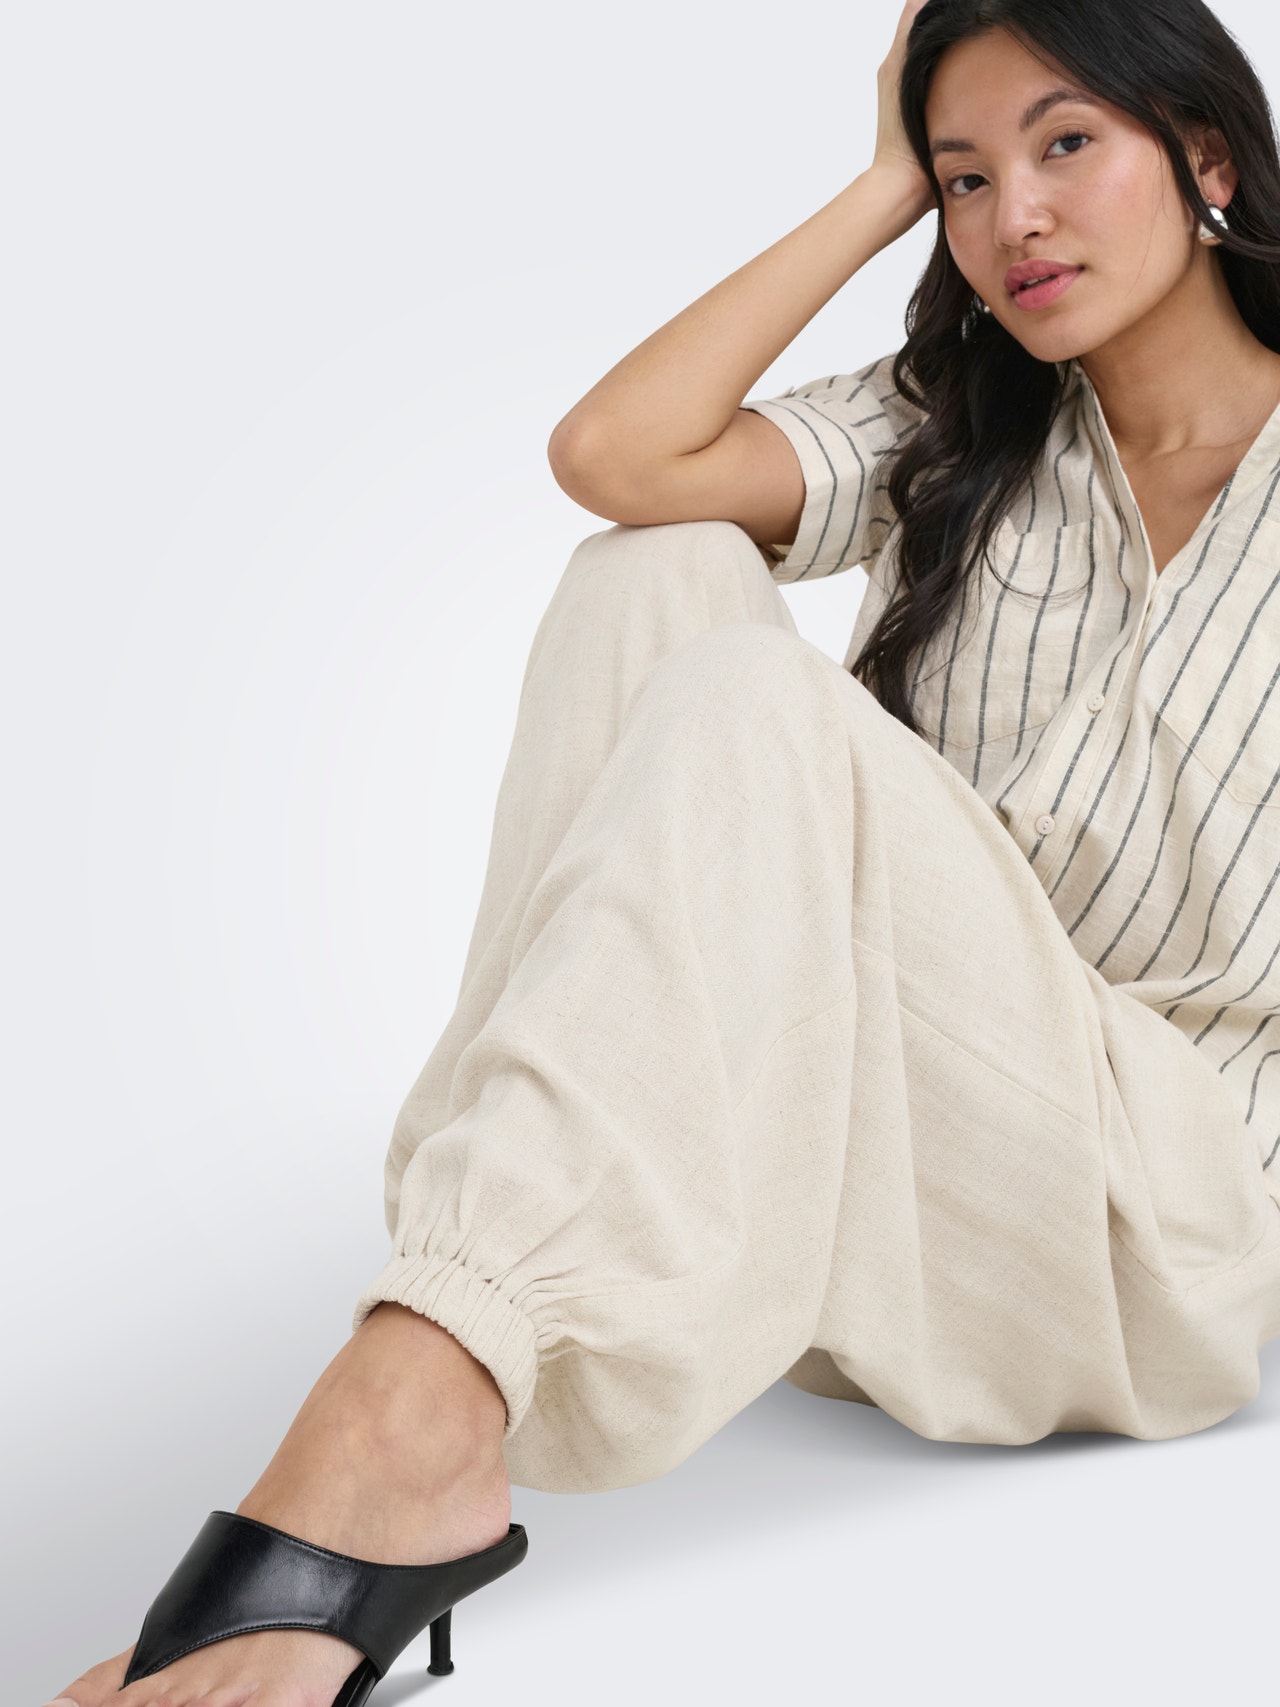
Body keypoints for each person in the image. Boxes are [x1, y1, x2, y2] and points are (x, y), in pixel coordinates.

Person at [44, 0, 1280, 1702]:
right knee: (654, 568)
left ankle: (410, 1410)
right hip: (863, 1203)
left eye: (1067, 144)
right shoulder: (965, 424)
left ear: (1206, 154)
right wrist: (876, 189)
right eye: (966, 177)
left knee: (758, 701)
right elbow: (616, 457)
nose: (1017, 217)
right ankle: (463, 1313)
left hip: (1146, 1239)